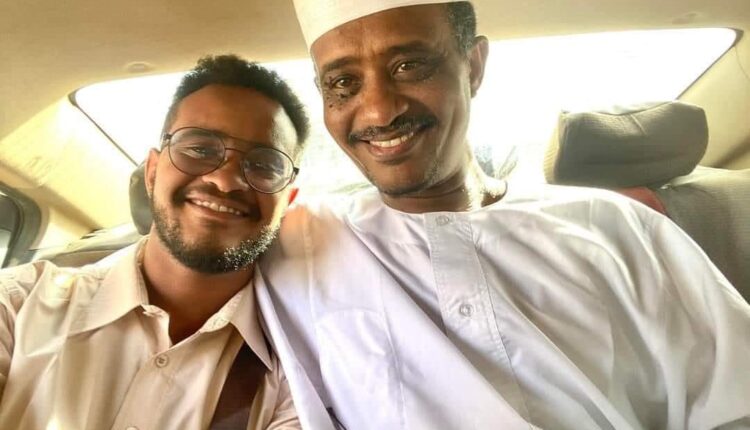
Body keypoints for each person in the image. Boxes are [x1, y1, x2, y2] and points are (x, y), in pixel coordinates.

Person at [255, 2, 750, 430]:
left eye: (409, 65)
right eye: (343, 83)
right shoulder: (300, 241)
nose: (379, 111)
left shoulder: (619, 229)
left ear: (473, 66)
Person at [0, 55, 310, 430]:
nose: (225, 181)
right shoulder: (17, 305)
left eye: (265, 165)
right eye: (200, 149)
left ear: (287, 202)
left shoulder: (297, 376)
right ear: (151, 172)